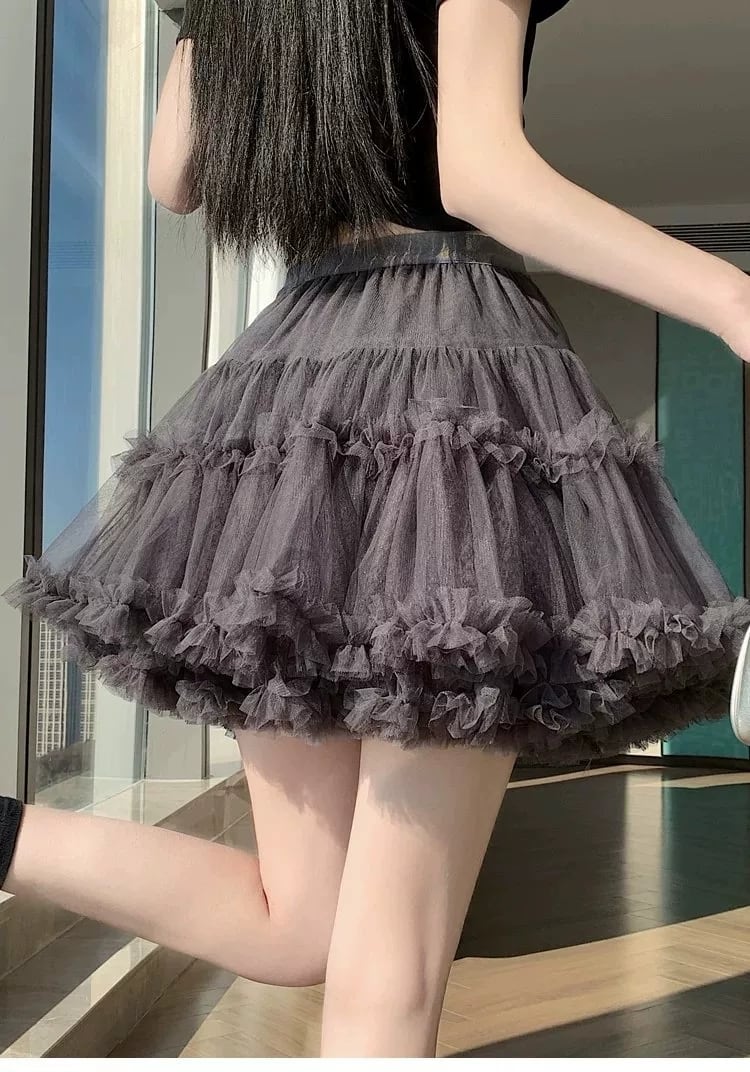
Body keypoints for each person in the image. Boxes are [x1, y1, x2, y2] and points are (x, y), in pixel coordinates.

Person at [1, 0, 750, 1058]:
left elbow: (175, 175)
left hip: (287, 385)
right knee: (387, 963)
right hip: (446, 362)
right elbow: (476, 173)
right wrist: (729, 295)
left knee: (301, 922)